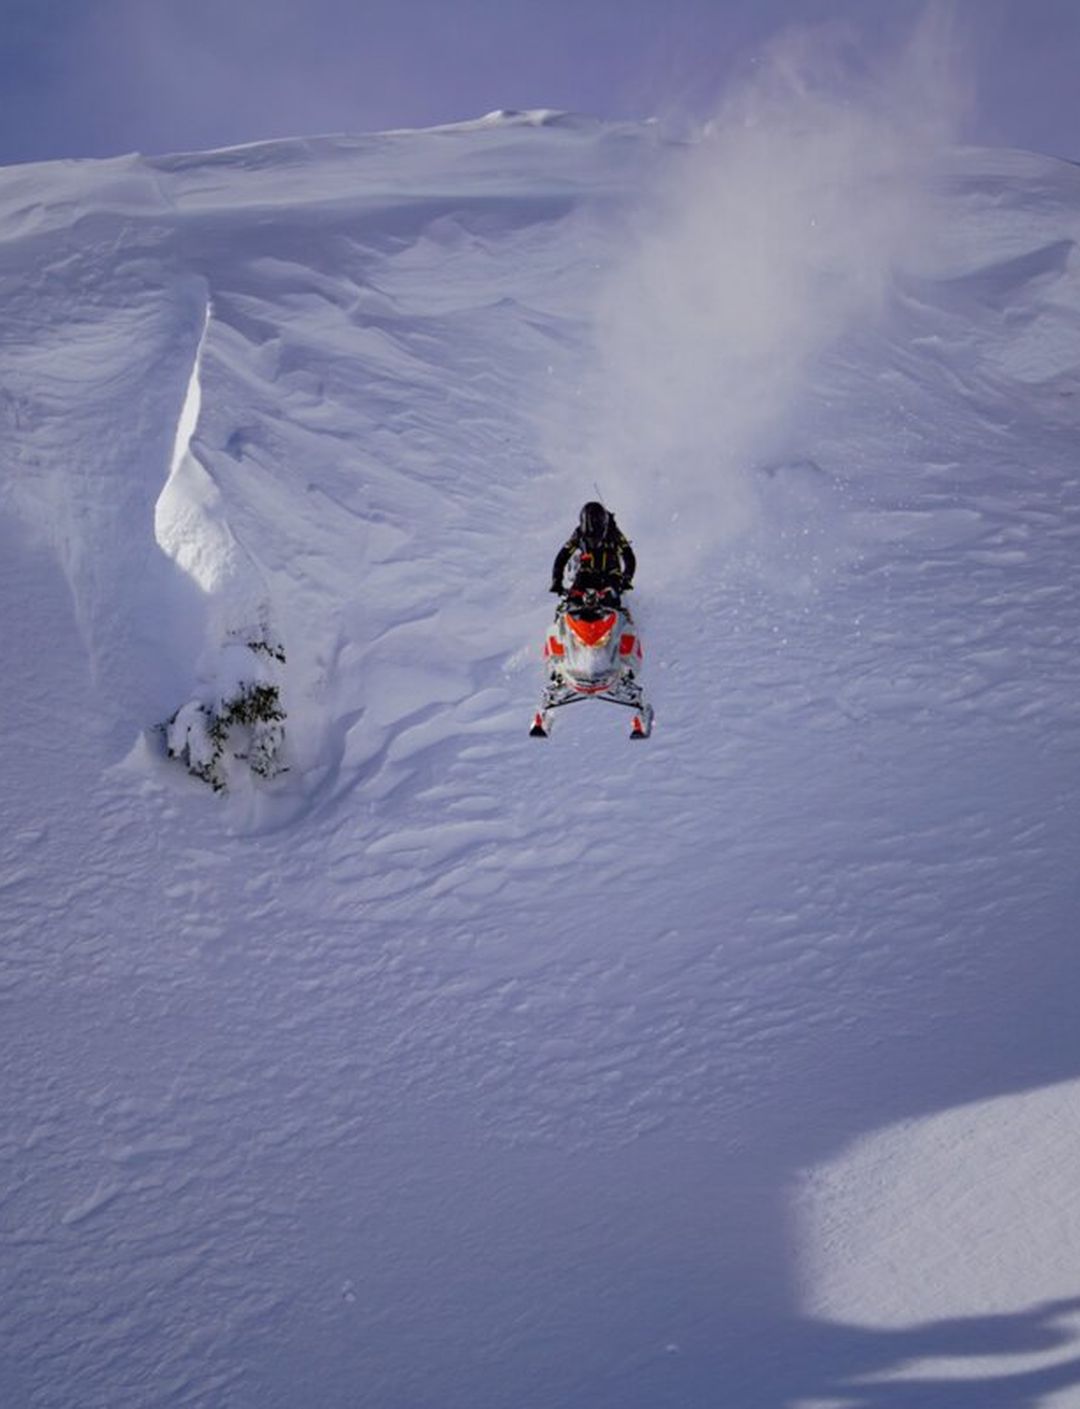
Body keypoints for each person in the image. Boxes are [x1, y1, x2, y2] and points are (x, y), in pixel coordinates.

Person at [550, 502, 636, 599]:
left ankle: (615, 609)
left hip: (611, 574)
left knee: (611, 597)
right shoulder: (578, 534)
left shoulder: (614, 532)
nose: (593, 540)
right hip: (587, 572)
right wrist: (556, 580)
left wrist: (627, 578)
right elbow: (562, 556)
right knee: (573, 597)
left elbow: (628, 555)